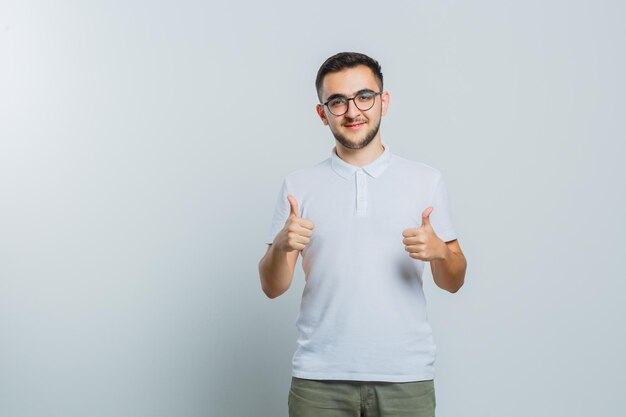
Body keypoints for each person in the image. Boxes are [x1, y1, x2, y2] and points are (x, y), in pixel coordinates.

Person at [258, 52, 467, 417]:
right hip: (319, 379)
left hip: (406, 376)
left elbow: (454, 281)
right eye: (337, 101)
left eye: (364, 97)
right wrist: (280, 245)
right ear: (322, 113)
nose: (353, 111)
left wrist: (439, 252)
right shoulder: (299, 186)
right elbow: (272, 287)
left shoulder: (425, 180)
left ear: (383, 101)